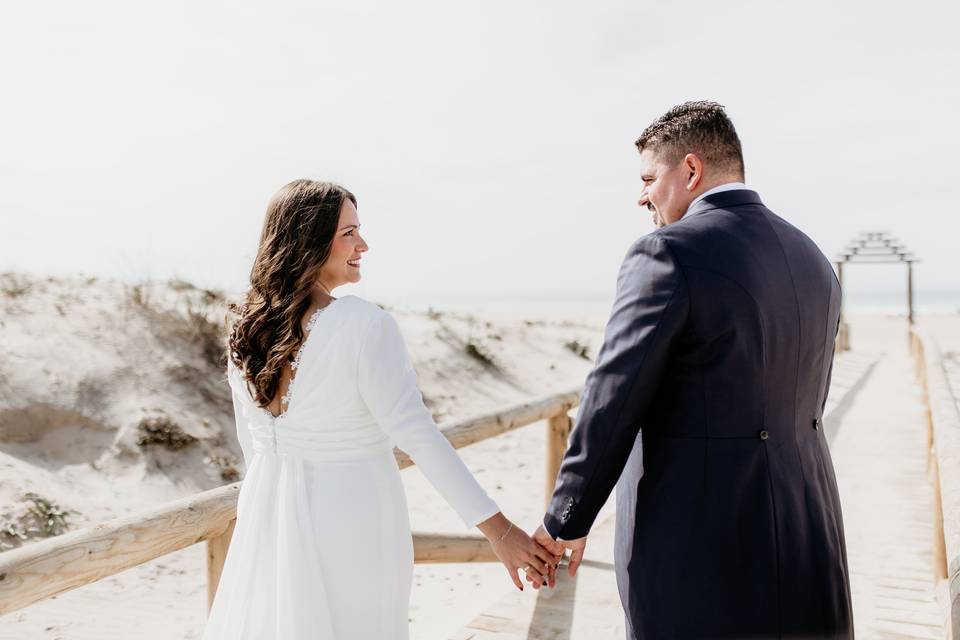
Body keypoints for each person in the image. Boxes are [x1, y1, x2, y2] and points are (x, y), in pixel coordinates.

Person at [531, 101, 853, 638]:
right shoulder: (812, 256)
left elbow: (612, 398)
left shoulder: (667, 252)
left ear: (691, 169)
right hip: (809, 539)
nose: (642, 196)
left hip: (701, 551)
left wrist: (565, 520)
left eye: (649, 178)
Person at [201, 179, 559, 639]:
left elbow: (253, 447)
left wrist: (268, 519)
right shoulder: (362, 324)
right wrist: (500, 531)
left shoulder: (245, 330)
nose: (363, 245)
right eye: (348, 233)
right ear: (309, 240)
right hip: (354, 525)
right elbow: (418, 434)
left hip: (267, 522)